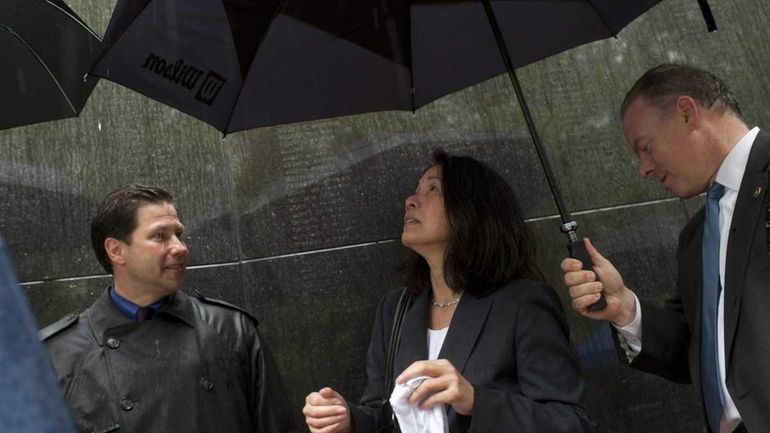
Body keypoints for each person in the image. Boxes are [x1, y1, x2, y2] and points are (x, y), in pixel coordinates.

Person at [304, 150, 593, 433]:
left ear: (471, 210)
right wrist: (348, 420)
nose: (411, 201)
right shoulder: (395, 310)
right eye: (415, 190)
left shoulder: (523, 303)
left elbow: (571, 422)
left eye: (433, 189)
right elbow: (385, 415)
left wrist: (475, 401)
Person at [561, 64, 770, 433]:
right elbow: (691, 351)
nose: (643, 169)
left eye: (645, 147)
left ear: (687, 112)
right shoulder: (694, 238)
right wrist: (624, 307)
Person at [40, 184, 298, 433]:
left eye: (179, 234)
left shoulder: (231, 330)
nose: (180, 248)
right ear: (116, 251)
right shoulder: (58, 354)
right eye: (160, 236)